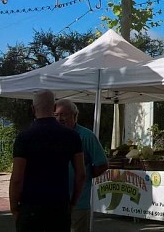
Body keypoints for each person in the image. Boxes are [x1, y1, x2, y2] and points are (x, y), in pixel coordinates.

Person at [10, 90, 85, 232]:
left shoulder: (24, 137)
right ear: (54, 107)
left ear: (33, 109)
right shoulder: (72, 136)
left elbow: (17, 178)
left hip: (31, 205)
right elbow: (81, 174)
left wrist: (14, 207)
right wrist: (73, 202)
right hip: (59, 205)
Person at [54, 99, 108, 232]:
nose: (60, 118)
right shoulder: (52, 135)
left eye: (64, 114)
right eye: (56, 115)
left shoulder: (86, 136)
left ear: (74, 115)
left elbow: (102, 164)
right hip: (54, 201)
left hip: (78, 203)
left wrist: (86, 174)